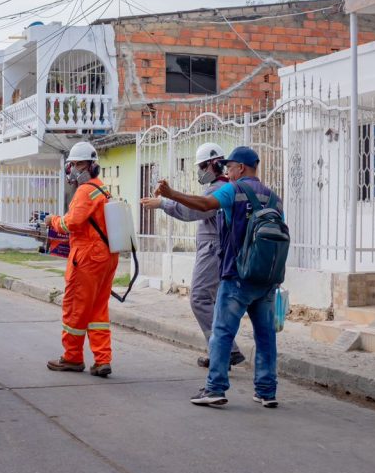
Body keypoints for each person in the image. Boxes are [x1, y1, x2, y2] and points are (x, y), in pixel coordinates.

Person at [154, 146, 282, 409]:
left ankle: (215, 387)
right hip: (266, 278)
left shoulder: (233, 189)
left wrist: (170, 195)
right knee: (266, 335)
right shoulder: (273, 197)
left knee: (222, 332)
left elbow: (204, 205)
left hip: (237, 275)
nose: (227, 171)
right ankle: (267, 392)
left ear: (241, 168)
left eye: (230, 166)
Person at [140, 143, 246, 369]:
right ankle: (224, 350)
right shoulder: (224, 187)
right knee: (215, 303)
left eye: (201, 166)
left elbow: (193, 211)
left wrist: (163, 203)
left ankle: (224, 350)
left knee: (199, 298)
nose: (199, 171)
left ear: (214, 164)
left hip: (213, 249)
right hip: (220, 248)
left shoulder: (218, 189)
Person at [43, 141, 120, 378]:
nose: (73, 169)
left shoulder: (85, 191)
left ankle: (73, 357)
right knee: (98, 310)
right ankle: (102, 360)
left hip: (87, 257)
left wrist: (52, 221)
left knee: (76, 307)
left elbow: (72, 223)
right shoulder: (101, 188)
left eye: (76, 164)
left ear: (84, 166)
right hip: (107, 255)